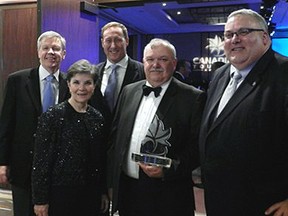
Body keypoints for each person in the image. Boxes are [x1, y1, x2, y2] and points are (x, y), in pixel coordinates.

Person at [199, 9, 288, 216]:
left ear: (265, 38)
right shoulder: (221, 75)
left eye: (244, 32)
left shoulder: (284, 74)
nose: (235, 39)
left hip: (265, 205)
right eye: (228, 35)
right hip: (219, 200)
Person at [108, 38, 206, 216]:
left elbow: (198, 148)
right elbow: (116, 138)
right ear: (143, 62)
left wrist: (168, 171)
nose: (155, 65)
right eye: (150, 59)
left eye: (163, 59)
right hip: (128, 191)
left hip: (168, 195)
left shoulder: (192, 98)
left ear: (174, 63)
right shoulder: (128, 91)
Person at [0, 31, 69, 216]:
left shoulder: (71, 83)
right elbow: (6, 124)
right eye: (46, 48)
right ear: (38, 52)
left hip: (59, 169)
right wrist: (2, 162)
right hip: (23, 166)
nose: (51, 52)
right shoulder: (17, 80)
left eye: (56, 48)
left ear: (64, 53)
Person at [32, 59, 109, 216]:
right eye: (76, 82)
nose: (81, 88)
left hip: (91, 194)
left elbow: (100, 161)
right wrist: (40, 200)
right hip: (60, 195)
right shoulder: (52, 116)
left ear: (94, 86)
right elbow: (41, 162)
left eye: (87, 83)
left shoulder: (97, 117)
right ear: (68, 84)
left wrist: (102, 192)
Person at [92, 21, 145, 114]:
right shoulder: (93, 73)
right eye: (108, 40)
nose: (113, 46)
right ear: (102, 43)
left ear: (127, 41)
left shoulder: (143, 71)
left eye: (118, 40)